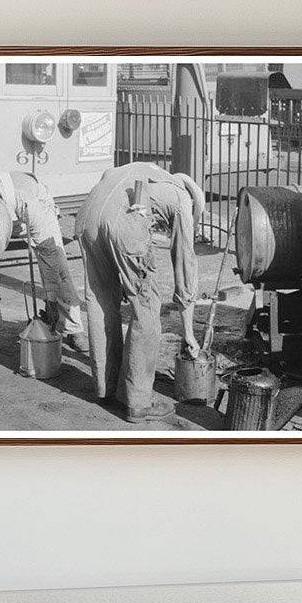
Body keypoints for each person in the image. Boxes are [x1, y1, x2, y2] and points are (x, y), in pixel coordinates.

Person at [75, 162, 204, 423]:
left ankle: (106, 386)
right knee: (146, 306)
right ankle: (138, 402)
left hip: (86, 217)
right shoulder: (181, 198)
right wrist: (188, 333)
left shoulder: (144, 170)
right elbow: (185, 267)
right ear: (194, 202)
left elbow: (106, 183)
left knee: (101, 301)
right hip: (123, 223)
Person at [0, 171, 87, 356]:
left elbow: (49, 256)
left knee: (58, 266)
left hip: (31, 207)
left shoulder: (29, 204)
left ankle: (72, 328)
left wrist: (50, 298)